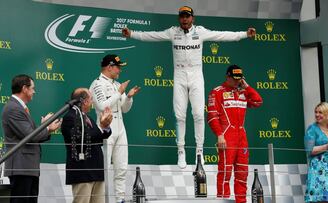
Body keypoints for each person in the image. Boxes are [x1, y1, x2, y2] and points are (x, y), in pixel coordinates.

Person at [122, 6, 256, 168]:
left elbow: (223, 35)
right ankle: (181, 150)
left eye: (187, 16)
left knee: (199, 114)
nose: (184, 19)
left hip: (196, 76)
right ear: (179, 18)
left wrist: (244, 34)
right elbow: (152, 35)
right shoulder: (173, 32)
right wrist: (132, 34)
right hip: (179, 76)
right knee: (180, 116)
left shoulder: (200, 32)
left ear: (193, 18)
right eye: (182, 16)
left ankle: (199, 152)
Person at [1, 74, 61, 203]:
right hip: (21, 166)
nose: (35, 91)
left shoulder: (19, 107)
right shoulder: (13, 108)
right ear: (24, 88)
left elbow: (30, 134)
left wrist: (44, 126)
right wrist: (48, 128)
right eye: (33, 88)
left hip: (28, 166)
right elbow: (30, 136)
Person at [207, 65, 262, 203]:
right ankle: (223, 201)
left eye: (240, 79)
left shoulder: (243, 92)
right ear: (228, 76)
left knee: (242, 174)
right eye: (235, 78)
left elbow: (258, 101)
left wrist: (247, 86)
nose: (237, 81)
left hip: (242, 137)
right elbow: (212, 116)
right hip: (227, 136)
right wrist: (219, 135)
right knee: (225, 173)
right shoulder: (217, 92)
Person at [89, 54, 140, 203]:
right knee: (104, 167)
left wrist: (129, 97)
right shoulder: (97, 84)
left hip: (120, 128)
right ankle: (102, 200)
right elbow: (102, 105)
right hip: (105, 129)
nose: (120, 70)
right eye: (118, 67)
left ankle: (120, 199)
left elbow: (124, 109)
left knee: (121, 167)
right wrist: (119, 93)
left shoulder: (118, 85)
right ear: (109, 67)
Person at [61, 88, 113, 203]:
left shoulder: (88, 118)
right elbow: (80, 139)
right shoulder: (70, 117)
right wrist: (101, 127)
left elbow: (99, 138)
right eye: (91, 99)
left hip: (96, 171)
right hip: (82, 172)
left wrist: (106, 126)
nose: (93, 102)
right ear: (84, 101)